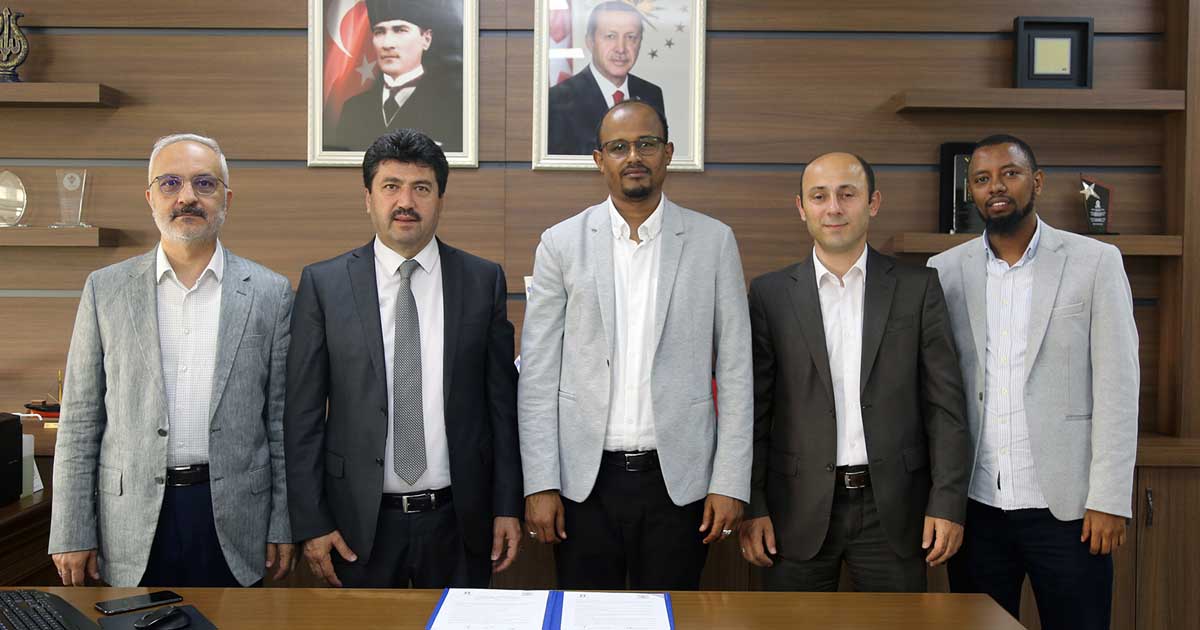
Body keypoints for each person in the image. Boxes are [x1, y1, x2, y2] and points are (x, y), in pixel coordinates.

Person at [520, 100, 752, 590]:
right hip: (583, 484)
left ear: (668, 152)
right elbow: (537, 376)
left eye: (646, 144)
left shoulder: (714, 242)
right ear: (599, 159)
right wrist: (540, 482)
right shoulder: (560, 244)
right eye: (618, 147)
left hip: (680, 481)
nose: (633, 157)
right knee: (585, 618)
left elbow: (735, 371)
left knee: (669, 616)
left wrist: (729, 480)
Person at [48, 133, 294, 587]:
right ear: (150, 197)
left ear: (226, 198)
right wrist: (71, 529)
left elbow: (279, 422)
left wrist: (282, 522)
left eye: (204, 183)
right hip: (130, 519)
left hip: (237, 517)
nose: (187, 197)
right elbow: (80, 419)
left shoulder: (270, 292)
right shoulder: (105, 289)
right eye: (170, 183)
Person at [285, 128, 522, 589]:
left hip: (460, 521)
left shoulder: (482, 281)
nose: (405, 202)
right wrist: (312, 521)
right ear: (368, 198)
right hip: (357, 524)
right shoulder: (324, 285)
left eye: (422, 188)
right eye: (391, 186)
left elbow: (501, 407)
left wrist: (507, 505)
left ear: (440, 199)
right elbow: (302, 415)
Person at [927, 134, 1139, 630]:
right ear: (971, 192)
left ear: (1036, 181)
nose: (996, 187)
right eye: (982, 179)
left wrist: (1108, 499)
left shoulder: (1095, 261)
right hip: (978, 507)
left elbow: (1118, 387)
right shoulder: (945, 271)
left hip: (1069, 511)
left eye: (1010, 173)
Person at [740, 152, 971, 592]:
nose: (833, 208)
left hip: (896, 510)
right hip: (795, 510)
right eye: (819, 196)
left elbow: (945, 407)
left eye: (847, 194)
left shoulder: (917, 288)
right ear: (801, 208)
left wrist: (947, 501)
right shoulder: (770, 294)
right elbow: (753, 411)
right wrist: (754, 504)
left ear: (873, 203)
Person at [335, 0, 463, 153]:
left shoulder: (455, 106)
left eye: (400, 30)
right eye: (379, 32)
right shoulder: (353, 108)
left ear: (426, 39)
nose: (387, 44)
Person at [546, 1, 665, 155]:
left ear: (640, 42)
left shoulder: (651, 94)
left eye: (631, 37)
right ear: (590, 42)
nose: (621, 49)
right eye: (610, 36)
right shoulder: (558, 99)